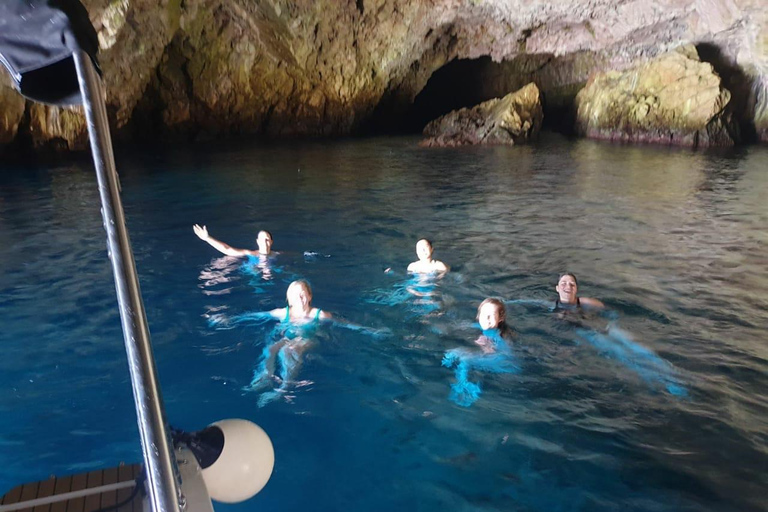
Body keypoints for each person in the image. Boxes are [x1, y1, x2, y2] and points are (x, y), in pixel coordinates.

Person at [193, 224, 274, 256]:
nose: (264, 242)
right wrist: (207, 238)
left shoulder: (277, 254)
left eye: (267, 239)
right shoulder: (250, 254)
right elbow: (227, 249)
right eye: (262, 239)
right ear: (258, 242)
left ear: (271, 242)